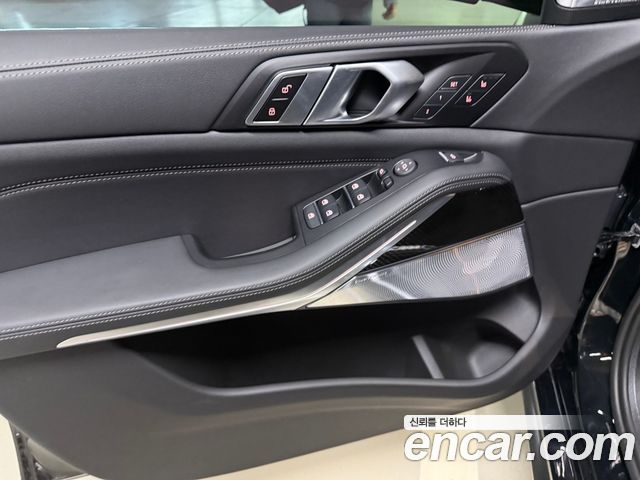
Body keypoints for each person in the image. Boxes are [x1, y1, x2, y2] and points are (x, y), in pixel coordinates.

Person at [305, 0, 397, 26]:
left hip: (359, 8)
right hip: (324, 5)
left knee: (357, 49)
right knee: (320, 45)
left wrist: (390, 2)